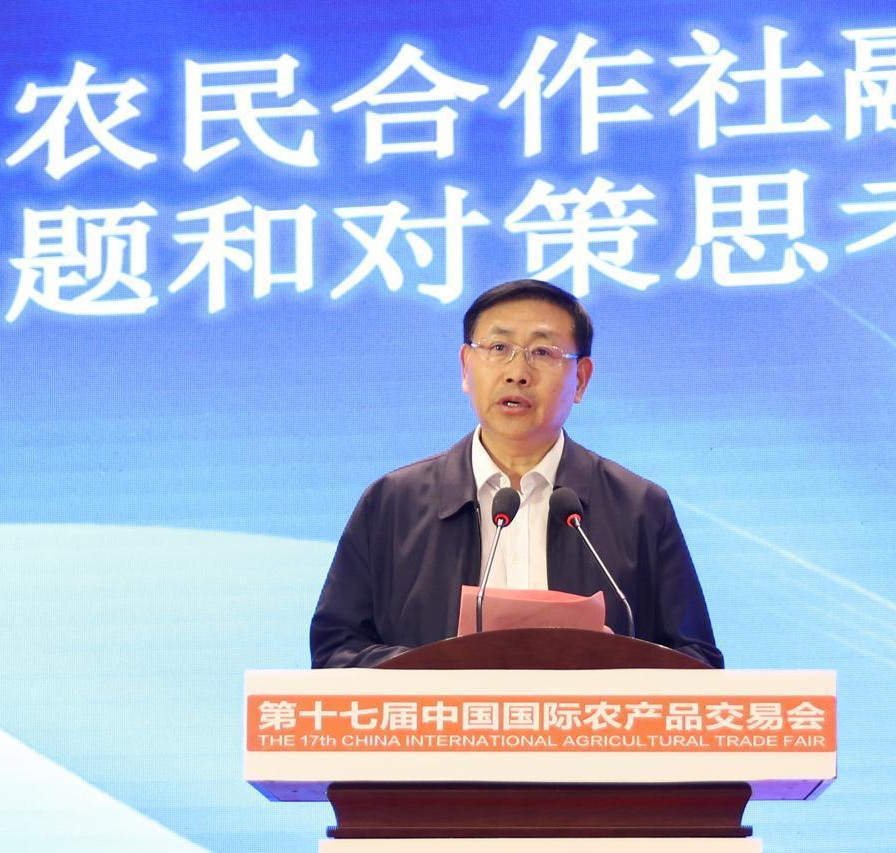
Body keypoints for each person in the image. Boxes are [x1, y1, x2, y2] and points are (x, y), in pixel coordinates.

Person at [309, 279, 723, 668]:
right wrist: (439, 674)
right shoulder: (392, 504)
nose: (517, 372)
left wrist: (614, 667)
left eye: (543, 352)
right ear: (466, 367)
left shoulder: (639, 507)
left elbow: (698, 660)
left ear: (581, 379)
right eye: (498, 347)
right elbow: (336, 650)